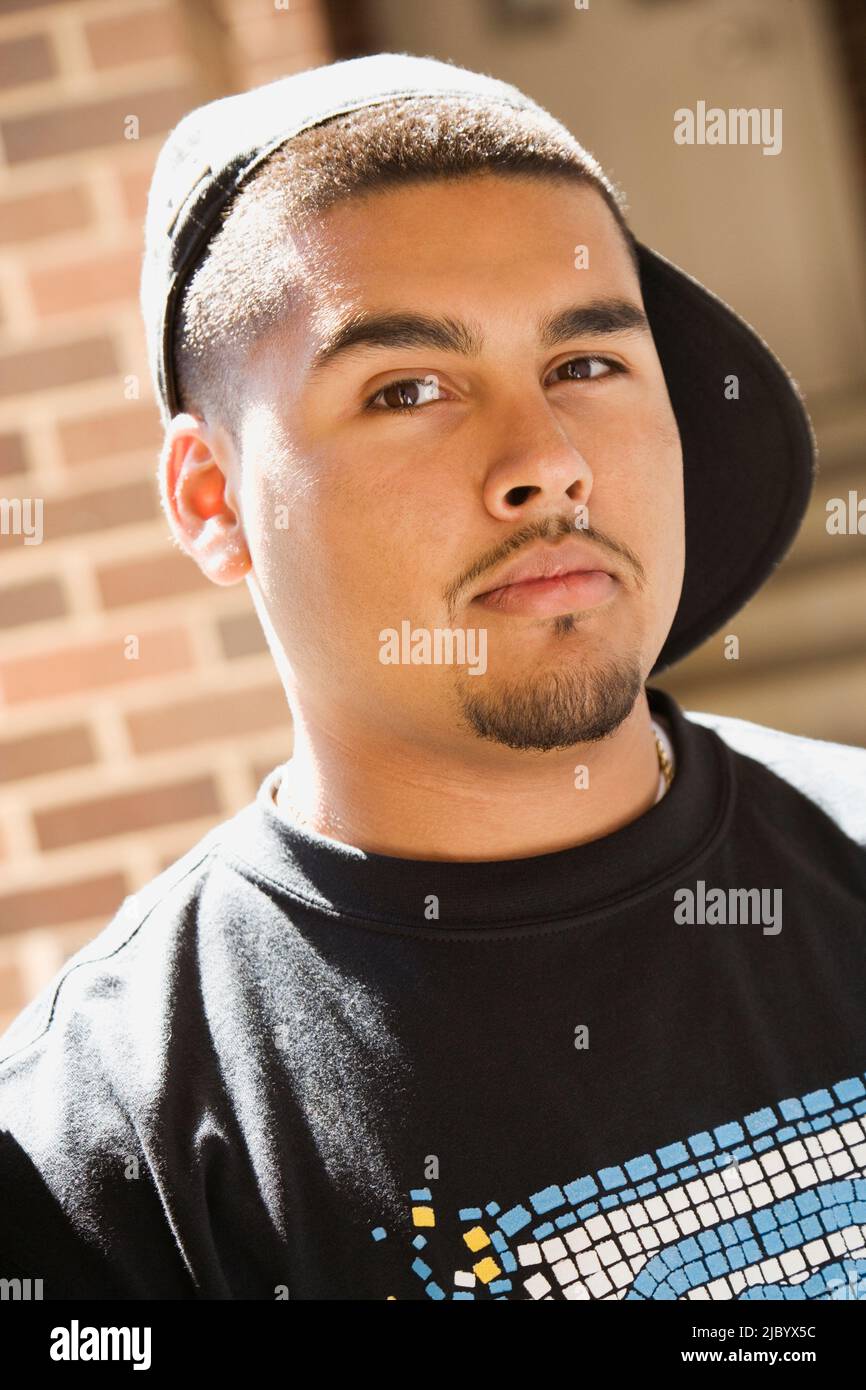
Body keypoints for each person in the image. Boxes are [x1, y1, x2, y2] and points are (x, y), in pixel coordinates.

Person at [1, 52, 865, 1303]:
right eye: (408, 388)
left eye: (584, 365)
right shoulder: (97, 1157)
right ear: (211, 498)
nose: (545, 462)